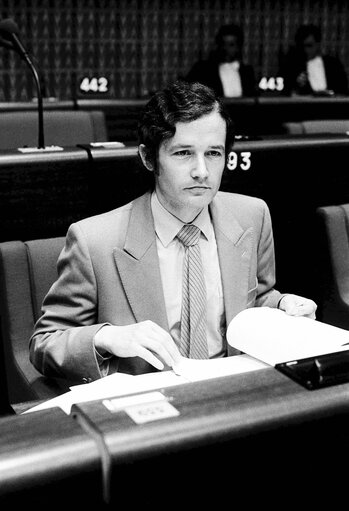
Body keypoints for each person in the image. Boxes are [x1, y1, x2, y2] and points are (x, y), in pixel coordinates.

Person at [29, 79, 317, 385]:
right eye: (183, 153)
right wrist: (107, 336)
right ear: (148, 157)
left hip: (235, 393)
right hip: (152, 408)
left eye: (214, 153)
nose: (202, 171)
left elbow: (257, 298)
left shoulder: (252, 216)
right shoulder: (94, 241)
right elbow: (44, 343)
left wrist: (283, 305)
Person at [185, 23, 257, 98]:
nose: (225, 48)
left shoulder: (247, 72)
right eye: (223, 44)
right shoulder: (203, 69)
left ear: (238, 47)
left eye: (231, 45)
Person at [280, 24, 348, 96]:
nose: (306, 50)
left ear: (318, 44)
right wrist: (297, 85)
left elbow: (343, 90)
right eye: (302, 46)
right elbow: (286, 93)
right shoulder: (292, 67)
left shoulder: (333, 64)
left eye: (309, 45)